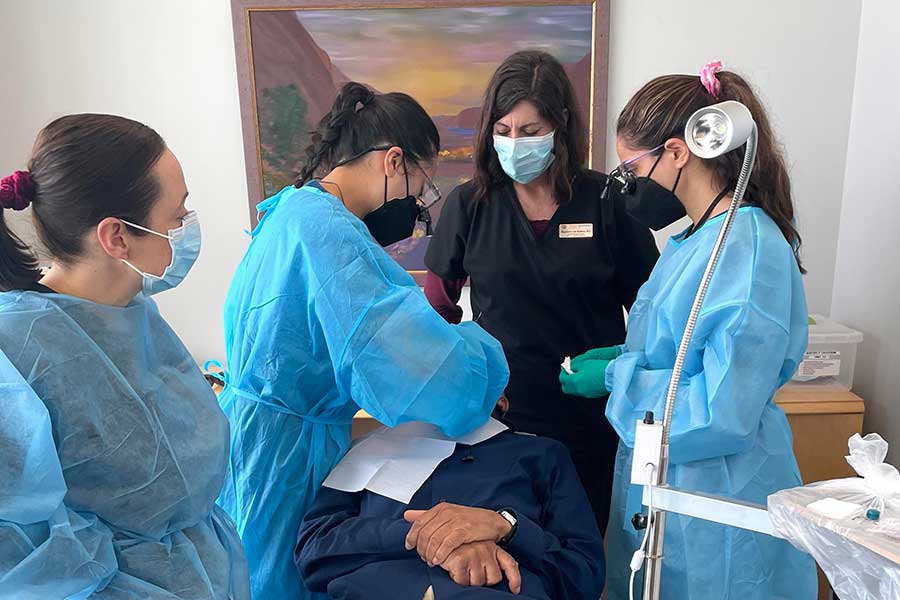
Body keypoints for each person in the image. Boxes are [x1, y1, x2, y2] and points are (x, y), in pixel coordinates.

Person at [218, 82, 510, 600]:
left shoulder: (288, 212)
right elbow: (420, 368)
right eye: (421, 188)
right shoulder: (329, 234)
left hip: (255, 445)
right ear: (393, 161)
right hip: (289, 460)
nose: (417, 206)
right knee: (285, 581)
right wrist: (481, 357)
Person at [560, 62, 818, 599]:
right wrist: (627, 357)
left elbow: (723, 410)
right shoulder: (694, 241)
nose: (627, 185)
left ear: (678, 152)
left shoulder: (745, 248)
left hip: (718, 502)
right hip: (671, 497)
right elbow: (680, 355)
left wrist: (618, 379)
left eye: (631, 168)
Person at [0, 114, 249, 598]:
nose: (186, 229)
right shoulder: (19, 351)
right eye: (177, 217)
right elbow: (19, 552)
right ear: (116, 237)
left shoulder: (131, 313)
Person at [424, 50, 659, 534]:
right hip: (498, 417)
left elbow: (656, 314)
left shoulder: (607, 201)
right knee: (512, 553)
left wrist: (625, 370)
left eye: (530, 132)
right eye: (504, 131)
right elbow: (437, 311)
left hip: (591, 416)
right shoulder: (469, 206)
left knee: (581, 549)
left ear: (561, 126)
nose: (515, 144)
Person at [295, 398, 604, 600]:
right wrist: (434, 537)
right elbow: (313, 553)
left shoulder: (541, 454)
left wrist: (508, 527)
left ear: (501, 397)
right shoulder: (367, 451)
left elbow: (584, 577)